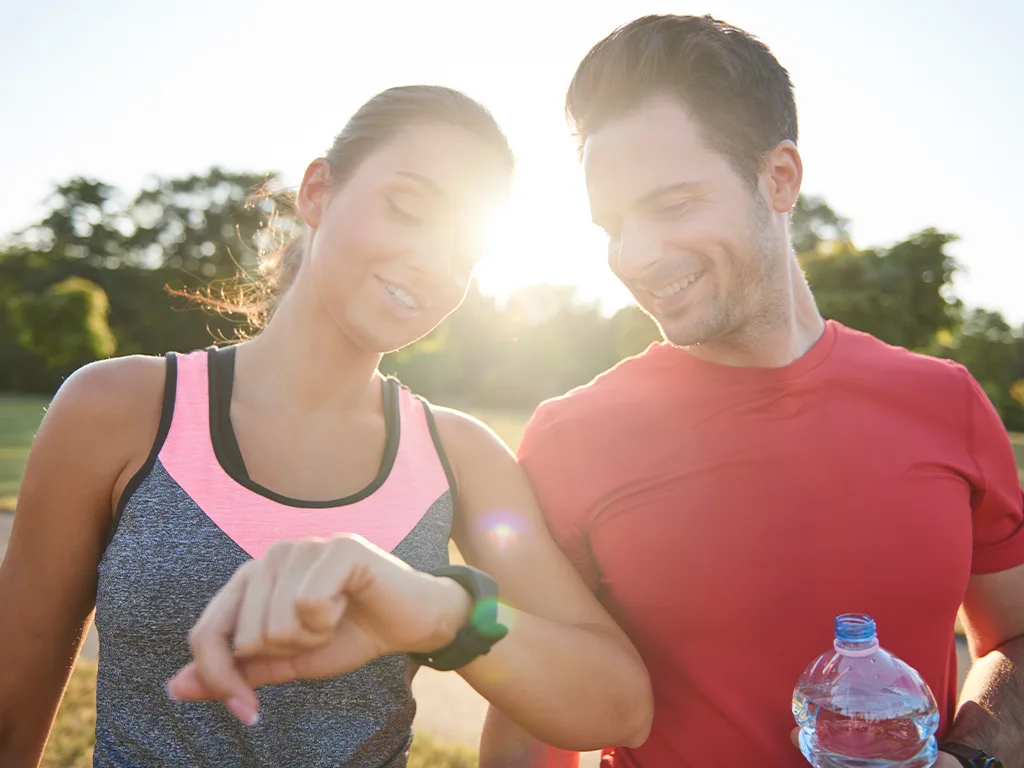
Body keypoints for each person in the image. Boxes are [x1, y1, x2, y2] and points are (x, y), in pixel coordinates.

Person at [0, 85, 652, 768]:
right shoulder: (115, 410)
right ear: (317, 191)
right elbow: (10, 721)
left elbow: (619, 706)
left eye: (465, 252)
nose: (434, 264)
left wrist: (444, 612)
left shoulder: (459, 456)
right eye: (407, 208)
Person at [471, 14, 1024, 768]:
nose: (634, 256)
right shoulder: (571, 437)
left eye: (670, 206)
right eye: (611, 224)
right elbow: (533, 727)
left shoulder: (947, 401)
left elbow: (1014, 640)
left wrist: (969, 757)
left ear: (780, 178)